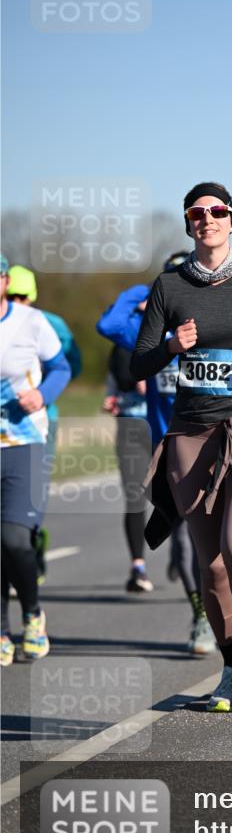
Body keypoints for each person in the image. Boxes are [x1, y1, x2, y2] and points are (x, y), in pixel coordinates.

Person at [131, 182, 232, 711]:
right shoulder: (168, 286)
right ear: (188, 224)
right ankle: (229, 669)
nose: (208, 220)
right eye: (197, 214)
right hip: (191, 434)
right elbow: (140, 361)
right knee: (212, 564)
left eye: (217, 211)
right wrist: (173, 345)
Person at [97, 254, 215, 655]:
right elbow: (108, 324)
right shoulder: (147, 334)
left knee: (221, 542)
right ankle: (201, 615)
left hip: (214, 446)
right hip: (167, 451)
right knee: (182, 543)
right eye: (173, 283)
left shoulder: (209, 326)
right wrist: (146, 292)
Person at [1, 254, 72, 666]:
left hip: (23, 442)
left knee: (13, 538)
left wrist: (41, 395)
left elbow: (60, 367)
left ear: (5, 281)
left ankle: (32, 613)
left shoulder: (31, 322)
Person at [6, 265, 82, 581]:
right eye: (13, 296)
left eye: (23, 296)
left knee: (31, 494)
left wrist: (41, 393)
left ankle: (32, 539)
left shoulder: (49, 324)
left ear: (32, 295)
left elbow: (70, 367)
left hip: (38, 422)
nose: (18, 301)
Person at [102, 342, 154, 593]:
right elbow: (113, 380)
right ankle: (138, 567)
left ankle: (183, 550)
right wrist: (110, 398)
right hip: (130, 427)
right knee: (135, 497)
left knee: (172, 495)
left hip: (162, 427)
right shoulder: (120, 347)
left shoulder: (169, 338)